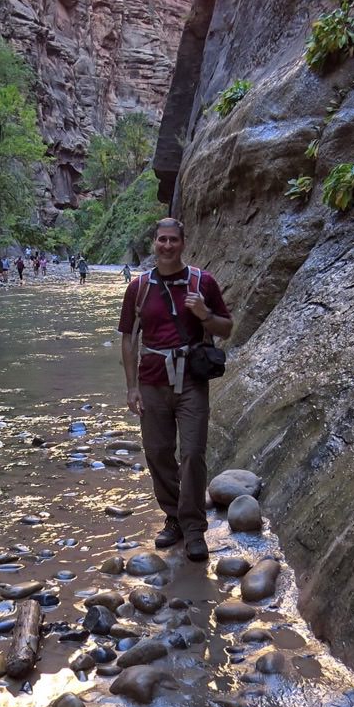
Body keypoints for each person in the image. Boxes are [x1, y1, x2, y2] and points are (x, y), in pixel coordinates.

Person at [118, 218, 233, 561]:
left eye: (173, 240)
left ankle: (195, 528)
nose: (167, 246)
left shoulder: (202, 282)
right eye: (161, 240)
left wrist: (203, 314)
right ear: (154, 243)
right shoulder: (138, 287)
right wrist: (131, 387)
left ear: (183, 243)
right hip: (152, 382)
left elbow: (225, 328)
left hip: (191, 382)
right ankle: (174, 518)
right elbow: (128, 338)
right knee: (157, 452)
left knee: (193, 453)